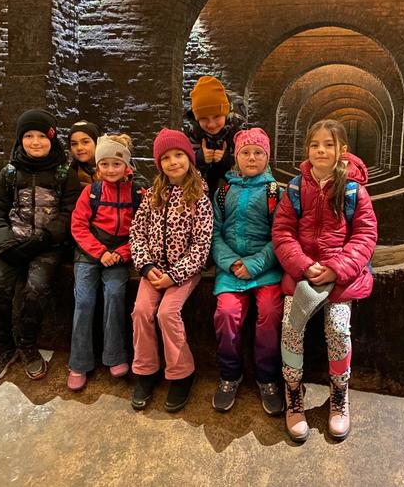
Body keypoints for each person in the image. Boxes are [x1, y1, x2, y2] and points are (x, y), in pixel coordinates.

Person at [272, 119, 378, 442]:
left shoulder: (353, 191)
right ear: (307, 149)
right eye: (315, 144)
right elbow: (283, 232)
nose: (321, 150)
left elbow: (365, 235)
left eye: (328, 144)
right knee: (291, 327)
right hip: (302, 274)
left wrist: (336, 268)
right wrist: (303, 265)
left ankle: (339, 394)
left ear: (342, 150)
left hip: (340, 278)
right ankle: (293, 392)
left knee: (338, 329)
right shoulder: (295, 189)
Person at [0, 108, 80, 385]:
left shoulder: (64, 174)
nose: (35, 142)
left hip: (48, 246)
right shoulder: (9, 173)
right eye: (28, 136)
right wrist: (5, 243)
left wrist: (44, 239)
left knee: (36, 289)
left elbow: (69, 213)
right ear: (20, 139)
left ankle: (27, 344)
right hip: (12, 243)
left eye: (41, 136)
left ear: (52, 139)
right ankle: (2, 347)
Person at [129, 129, 214, 412]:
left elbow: (202, 244)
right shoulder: (153, 194)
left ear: (189, 157)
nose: (173, 162)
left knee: (167, 313)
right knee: (141, 311)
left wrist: (175, 275)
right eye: (165, 158)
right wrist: (146, 265)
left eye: (179, 155)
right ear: (159, 163)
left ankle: (181, 373)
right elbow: (137, 232)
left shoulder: (199, 196)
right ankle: (146, 369)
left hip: (184, 271)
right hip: (153, 269)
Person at [210, 128, 284, 415]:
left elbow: (280, 236)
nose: (252, 158)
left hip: (265, 270)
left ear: (267, 157)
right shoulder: (223, 192)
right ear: (236, 157)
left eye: (258, 152)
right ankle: (230, 374)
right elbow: (214, 233)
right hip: (231, 270)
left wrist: (253, 265)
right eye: (245, 152)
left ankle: (267, 377)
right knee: (226, 314)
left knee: (270, 312)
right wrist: (231, 263)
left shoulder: (275, 193)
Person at [67, 134, 144, 391]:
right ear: (98, 166)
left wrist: (123, 253)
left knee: (114, 294)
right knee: (84, 300)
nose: (110, 170)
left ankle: (115, 355)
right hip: (89, 253)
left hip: (119, 254)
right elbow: (78, 226)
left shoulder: (138, 193)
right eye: (105, 164)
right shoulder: (91, 192)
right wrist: (100, 252)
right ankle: (79, 362)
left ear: (126, 165)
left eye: (116, 164)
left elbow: (143, 230)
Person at [182, 76, 246, 195]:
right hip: (201, 184)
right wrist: (199, 157)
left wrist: (227, 160)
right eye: (204, 118)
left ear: (225, 113)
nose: (211, 124)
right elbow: (183, 164)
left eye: (217, 116)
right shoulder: (191, 130)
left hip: (233, 184)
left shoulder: (237, 126)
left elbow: (248, 163)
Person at [68, 120, 101, 187]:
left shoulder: (113, 166)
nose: (79, 148)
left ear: (97, 143)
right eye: (74, 144)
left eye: (85, 142)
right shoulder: (70, 171)